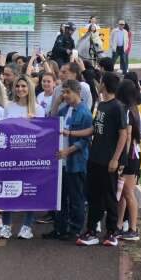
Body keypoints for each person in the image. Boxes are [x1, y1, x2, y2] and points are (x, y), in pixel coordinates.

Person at [76, 72, 128, 247]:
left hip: (108, 160)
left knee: (109, 196)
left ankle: (112, 232)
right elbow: (94, 129)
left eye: (100, 82)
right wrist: (69, 132)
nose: (98, 84)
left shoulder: (117, 107)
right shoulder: (102, 105)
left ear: (104, 84)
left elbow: (123, 134)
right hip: (95, 158)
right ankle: (91, 230)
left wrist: (115, 159)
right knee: (94, 196)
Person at [44, 79, 92, 241]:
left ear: (77, 92)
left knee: (76, 198)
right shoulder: (64, 109)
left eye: (67, 92)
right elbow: (51, 121)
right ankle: (60, 228)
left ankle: (75, 229)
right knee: (60, 197)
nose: (64, 95)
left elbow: (85, 141)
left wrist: (67, 151)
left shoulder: (85, 113)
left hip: (75, 163)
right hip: (61, 162)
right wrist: (56, 103)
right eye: (63, 92)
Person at [0, 75, 45, 240]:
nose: (20, 89)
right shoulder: (8, 107)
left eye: (24, 86)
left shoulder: (38, 109)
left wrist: (31, 124)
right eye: (18, 86)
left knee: (29, 191)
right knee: (7, 191)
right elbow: (3, 130)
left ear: (29, 88)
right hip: (10, 156)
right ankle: (6, 226)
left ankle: (27, 226)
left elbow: (42, 135)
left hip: (30, 157)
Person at [116, 79, 141, 241]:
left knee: (127, 193)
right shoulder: (134, 109)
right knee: (123, 193)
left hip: (129, 157)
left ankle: (133, 228)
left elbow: (127, 136)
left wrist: (122, 160)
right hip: (132, 155)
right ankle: (119, 225)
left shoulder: (126, 111)